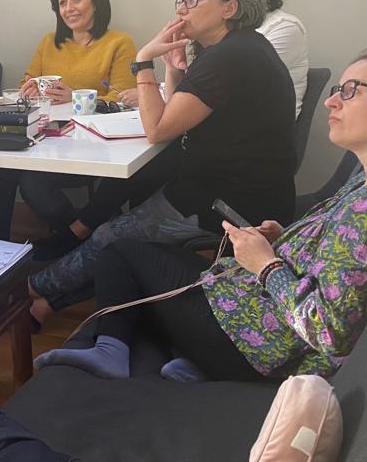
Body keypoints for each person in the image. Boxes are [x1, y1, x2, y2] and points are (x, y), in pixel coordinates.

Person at [35, 53, 367, 382]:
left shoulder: (362, 211)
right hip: (248, 309)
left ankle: (111, 350)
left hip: (252, 343)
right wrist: (283, 239)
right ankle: (186, 363)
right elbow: (333, 262)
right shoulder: (360, 181)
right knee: (140, 259)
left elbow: (329, 332)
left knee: (118, 253)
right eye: (338, 89)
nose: (332, 101)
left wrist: (266, 265)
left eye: (351, 90)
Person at [27, 0, 297, 325]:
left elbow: (157, 130)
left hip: (227, 203)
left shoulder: (228, 57)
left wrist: (143, 62)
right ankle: (46, 304)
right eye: (181, 0)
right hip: (246, 191)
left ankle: (32, 289)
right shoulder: (241, 47)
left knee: (111, 235)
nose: (182, 9)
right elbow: (175, 115)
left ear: (229, 8)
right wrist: (173, 67)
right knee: (122, 231)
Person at [0, 0, 136, 239]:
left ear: (96, 2)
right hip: (45, 138)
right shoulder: (49, 42)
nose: (69, 8)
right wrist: (29, 88)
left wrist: (75, 97)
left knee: (33, 182)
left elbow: (123, 99)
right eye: (62, 2)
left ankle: (75, 237)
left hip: (90, 145)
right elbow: (26, 81)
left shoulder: (119, 43)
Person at [213, 0, 309, 116]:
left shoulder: (285, 27)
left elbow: (232, 84)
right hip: (218, 119)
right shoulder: (223, 26)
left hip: (258, 126)